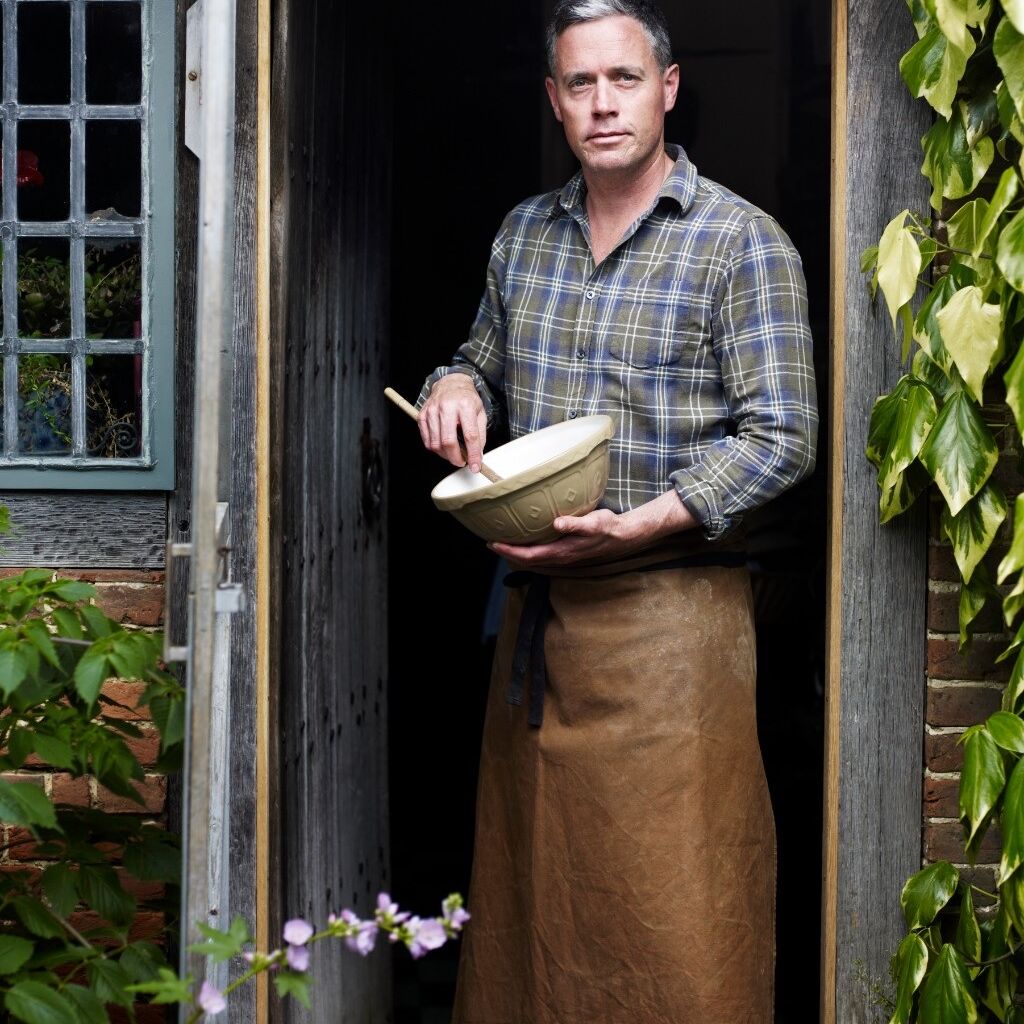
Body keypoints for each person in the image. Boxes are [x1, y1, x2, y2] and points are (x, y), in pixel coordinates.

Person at [416, 2, 818, 1021]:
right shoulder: (523, 236)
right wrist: (453, 384)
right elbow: (480, 360)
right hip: (537, 633)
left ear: (667, 89)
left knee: (676, 921)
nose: (603, 104)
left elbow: (784, 435)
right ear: (554, 101)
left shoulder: (739, 244)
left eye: (624, 79)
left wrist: (646, 522)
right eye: (581, 83)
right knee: (531, 917)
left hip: (671, 627)